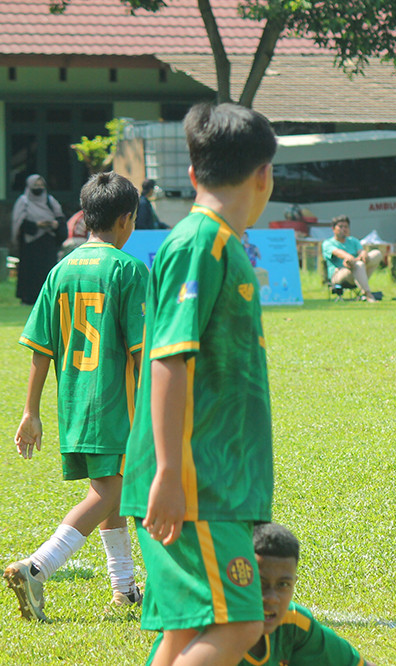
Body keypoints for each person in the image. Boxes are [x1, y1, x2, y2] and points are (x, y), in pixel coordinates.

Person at [119, 103, 277, 666]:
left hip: (216, 479)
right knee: (239, 623)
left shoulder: (221, 242)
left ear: (192, 174)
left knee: (186, 632)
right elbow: (168, 360)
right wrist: (168, 473)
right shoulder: (200, 243)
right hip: (194, 481)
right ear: (264, 175)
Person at [3, 172, 147, 621]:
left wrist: (30, 411)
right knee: (111, 492)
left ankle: (124, 588)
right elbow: (142, 352)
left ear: (85, 217)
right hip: (117, 405)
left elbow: (40, 349)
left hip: (75, 405)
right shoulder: (128, 270)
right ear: (126, 220)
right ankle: (37, 567)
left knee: (108, 488)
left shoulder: (60, 270)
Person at [147, 523, 374, 665]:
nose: (271, 597)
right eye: (260, 583)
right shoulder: (197, 630)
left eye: (283, 585)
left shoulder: (293, 624)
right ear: (237, 580)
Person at [11, 174, 68, 305]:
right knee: (30, 271)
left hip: (48, 243)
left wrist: (54, 225)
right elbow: (19, 224)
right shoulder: (23, 202)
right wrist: (37, 225)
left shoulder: (51, 201)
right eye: (36, 185)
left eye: (41, 185)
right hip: (30, 244)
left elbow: (60, 219)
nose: (39, 187)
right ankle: (28, 298)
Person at [321, 216, 382, 303]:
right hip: (339, 274)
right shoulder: (328, 243)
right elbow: (339, 253)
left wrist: (363, 254)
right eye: (340, 227)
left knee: (376, 253)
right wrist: (350, 259)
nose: (343, 229)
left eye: (346, 227)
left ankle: (364, 289)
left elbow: (361, 251)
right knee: (359, 264)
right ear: (333, 229)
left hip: (357, 270)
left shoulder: (353, 240)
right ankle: (368, 294)